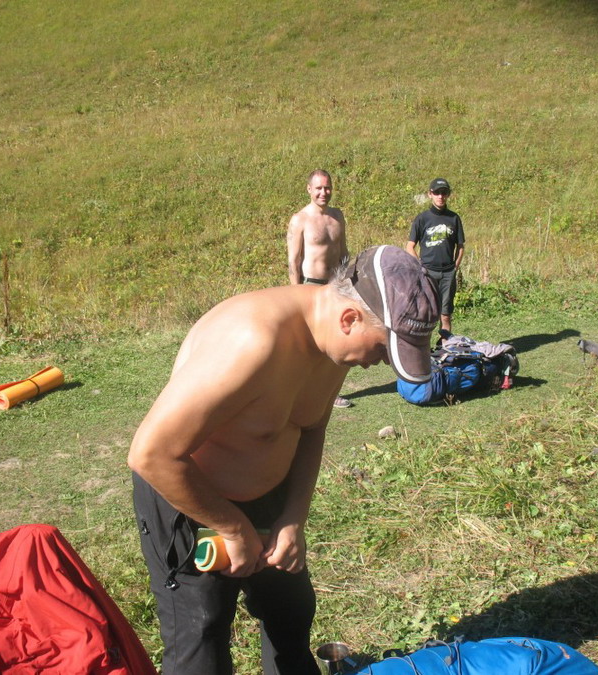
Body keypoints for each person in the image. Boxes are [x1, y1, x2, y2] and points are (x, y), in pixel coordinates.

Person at [128, 246, 438, 675]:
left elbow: (312, 428)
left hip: (270, 498)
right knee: (202, 636)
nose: (380, 363)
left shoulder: (335, 346)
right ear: (350, 319)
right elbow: (151, 454)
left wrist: (293, 518)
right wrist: (231, 527)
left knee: (291, 612)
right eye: (385, 349)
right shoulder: (251, 341)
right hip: (193, 500)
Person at [286, 170, 352, 407]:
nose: (324, 192)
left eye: (327, 187)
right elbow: (293, 261)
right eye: (318, 188)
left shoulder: (337, 216)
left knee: (336, 342)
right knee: (309, 345)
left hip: (335, 286)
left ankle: (329, 394)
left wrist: (348, 283)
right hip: (310, 288)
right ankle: (299, 393)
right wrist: (295, 295)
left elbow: (343, 252)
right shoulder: (300, 219)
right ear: (309, 189)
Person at [406, 177, 465, 334]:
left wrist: (455, 267)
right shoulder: (422, 219)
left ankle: (444, 345)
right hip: (428, 272)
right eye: (437, 193)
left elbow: (460, 246)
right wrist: (420, 267)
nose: (440, 196)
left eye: (444, 193)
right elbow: (410, 246)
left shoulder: (454, 218)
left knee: (445, 315)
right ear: (430, 194)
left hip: (447, 273)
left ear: (448, 195)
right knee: (425, 313)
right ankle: (424, 347)